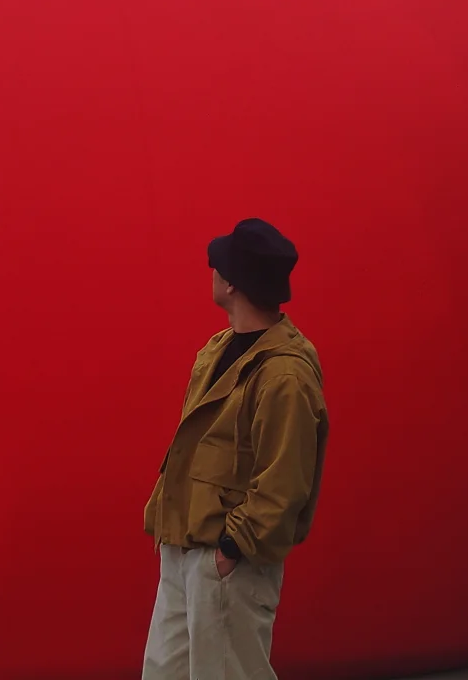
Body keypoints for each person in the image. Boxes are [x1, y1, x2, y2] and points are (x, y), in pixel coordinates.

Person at [141, 218, 329, 680]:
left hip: (225, 562)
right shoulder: (218, 349)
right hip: (183, 548)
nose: (211, 271)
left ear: (232, 283)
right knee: (164, 672)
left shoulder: (285, 374)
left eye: (218, 266)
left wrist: (232, 549)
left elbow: (285, 482)